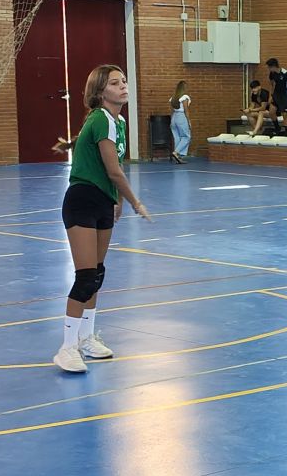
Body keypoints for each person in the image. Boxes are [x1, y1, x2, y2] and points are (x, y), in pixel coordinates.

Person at [56, 64, 151, 374]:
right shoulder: (100, 120)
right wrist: (135, 201)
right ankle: (67, 348)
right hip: (82, 200)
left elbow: (116, 163)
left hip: (102, 202)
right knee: (85, 276)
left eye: (124, 80)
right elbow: (113, 170)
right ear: (100, 92)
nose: (123, 86)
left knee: (96, 273)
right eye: (114, 83)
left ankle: (86, 338)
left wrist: (118, 200)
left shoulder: (118, 121)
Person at [268, 57, 287, 137]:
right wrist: (270, 96)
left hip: (285, 96)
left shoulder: (285, 73)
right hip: (276, 95)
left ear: (273, 66)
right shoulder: (272, 74)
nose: (269, 69)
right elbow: (271, 84)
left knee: (284, 114)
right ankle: (277, 128)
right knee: (271, 112)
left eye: (269, 67)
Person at [169, 80, 192, 164]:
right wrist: (189, 121)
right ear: (184, 88)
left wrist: (171, 121)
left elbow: (171, 111)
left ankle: (178, 157)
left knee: (177, 137)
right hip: (181, 117)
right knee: (186, 137)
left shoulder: (173, 97)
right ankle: (176, 152)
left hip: (174, 117)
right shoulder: (185, 97)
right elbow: (186, 110)